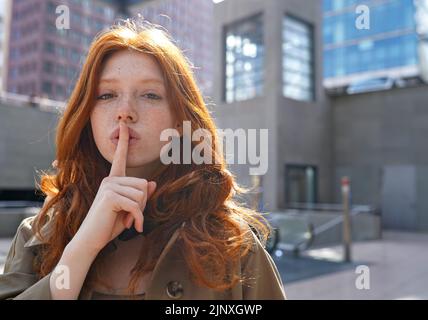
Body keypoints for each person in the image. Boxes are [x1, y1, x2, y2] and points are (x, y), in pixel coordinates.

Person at [0, 17, 286, 300]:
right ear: (87, 116)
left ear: (180, 120)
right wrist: (82, 248)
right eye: (107, 95)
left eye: (150, 95)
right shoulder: (38, 237)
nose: (125, 111)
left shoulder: (232, 245)